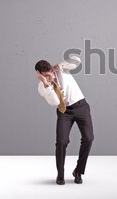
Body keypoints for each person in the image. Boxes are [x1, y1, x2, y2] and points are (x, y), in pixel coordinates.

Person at [35, 55, 94, 185]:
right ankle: (60, 175)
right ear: (39, 75)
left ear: (51, 69)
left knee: (89, 138)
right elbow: (55, 101)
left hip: (81, 106)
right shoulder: (42, 87)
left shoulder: (62, 70)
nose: (49, 76)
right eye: (45, 76)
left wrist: (60, 65)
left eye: (49, 73)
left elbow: (77, 60)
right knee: (61, 142)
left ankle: (78, 171)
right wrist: (46, 84)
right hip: (64, 112)